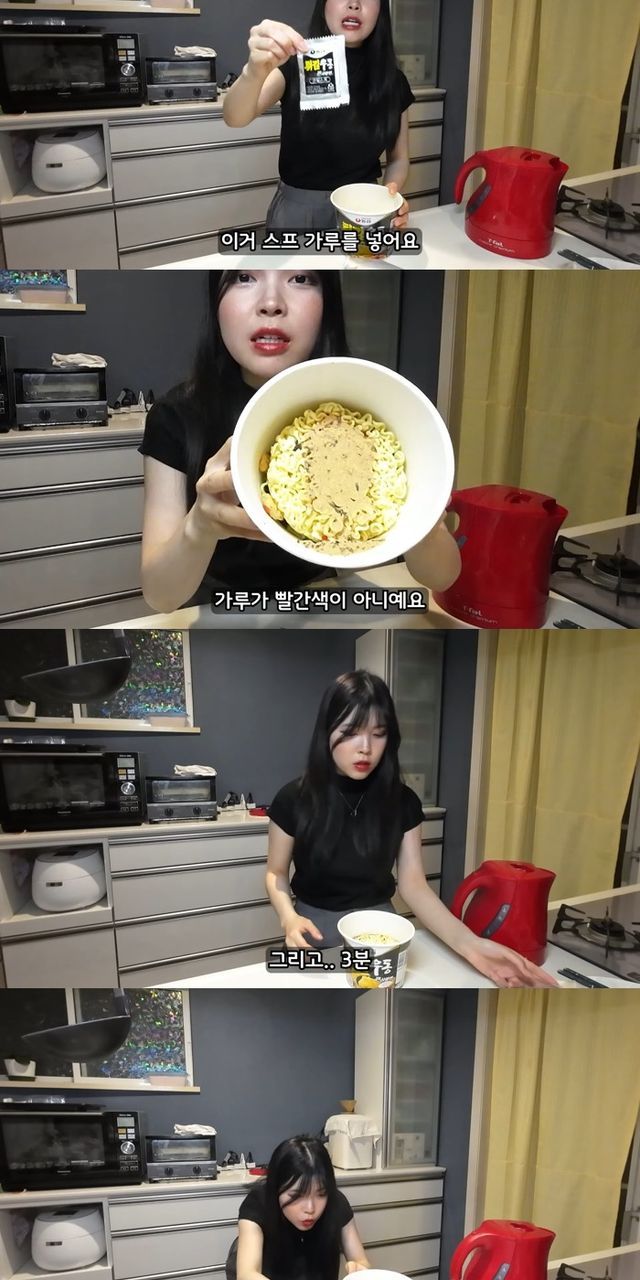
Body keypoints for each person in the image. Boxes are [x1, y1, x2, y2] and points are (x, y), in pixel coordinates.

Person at [140, 269, 461, 611]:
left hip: (324, 599)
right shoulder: (175, 417)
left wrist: (421, 516)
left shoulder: (374, 407)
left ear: (328, 301)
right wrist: (199, 527)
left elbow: (443, 577)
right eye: (244, 277)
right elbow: (160, 596)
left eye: (301, 279)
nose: (271, 303)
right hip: (217, 607)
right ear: (215, 298)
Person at [266, 671, 559, 989]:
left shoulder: (403, 801)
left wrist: (473, 946)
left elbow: (414, 885)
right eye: (350, 733)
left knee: (381, 998)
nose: (366, 748)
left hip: (381, 931)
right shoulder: (292, 798)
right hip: (313, 928)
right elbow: (275, 873)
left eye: (378, 734)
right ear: (327, 731)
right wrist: (288, 917)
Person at [223, 0, 413, 230]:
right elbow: (235, 117)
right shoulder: (296, 63)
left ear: (381, 10)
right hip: (297, 214)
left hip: (363, 212)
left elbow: (399, 158)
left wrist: (389, 196)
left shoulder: (394, 82)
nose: (354, 4)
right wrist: (253, 71)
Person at [226, 1135, 369, 1280]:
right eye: (297, 1196)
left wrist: (360, 1269)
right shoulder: (258, 1203)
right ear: (276, 1188)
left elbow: (360, 1261)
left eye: (321, 1194)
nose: (310, 1208)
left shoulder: (336, 1202)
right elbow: (247, 1274)